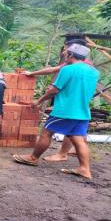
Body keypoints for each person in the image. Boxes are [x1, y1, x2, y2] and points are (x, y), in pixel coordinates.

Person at [13, 44, 99, 179]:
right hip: (82, 111)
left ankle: (33, 157)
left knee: (46, 132)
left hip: (65, 110)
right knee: (78, 139)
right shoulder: (93, 71)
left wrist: (38, 101)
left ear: (70, 55)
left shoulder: (68, 69)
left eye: (65, 53)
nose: (64, 54)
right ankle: (84, 169)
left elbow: (54, 90)